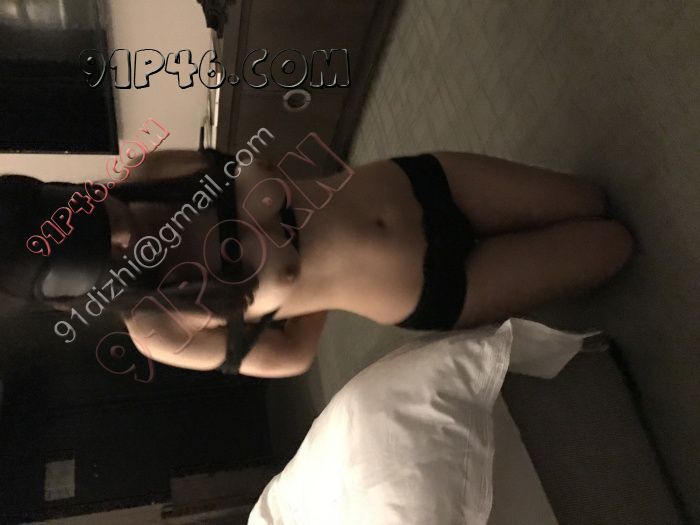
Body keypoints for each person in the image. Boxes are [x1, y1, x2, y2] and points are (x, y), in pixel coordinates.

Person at [0, 148, 633, 379]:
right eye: (116, 253)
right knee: (613, 246)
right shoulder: (158, 329)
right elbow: (289, 358)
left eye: (104, 214)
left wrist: (286, 204)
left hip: (420, 182)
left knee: (593, 198)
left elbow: (263, 157)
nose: (126, 231)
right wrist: (311, 287)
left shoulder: (149, 173)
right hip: (428, 286)